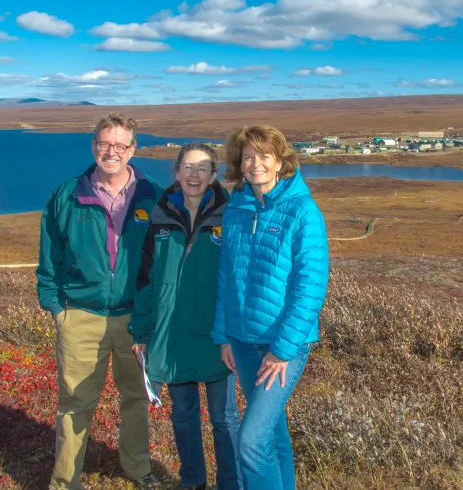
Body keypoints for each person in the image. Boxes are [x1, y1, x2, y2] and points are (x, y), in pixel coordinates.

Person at [36, 113, 165, 490]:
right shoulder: (67, 195)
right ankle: (64, 482)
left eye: (120, 145)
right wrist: (58, 309)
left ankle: (138, 469)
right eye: (103, 144)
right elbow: (50, 258)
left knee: (137, 400)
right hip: (81, 316)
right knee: (75, 405)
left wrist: (155, 310)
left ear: (133, 149)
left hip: (136, 319)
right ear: (94, 146)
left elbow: (165, 260)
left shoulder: (152, 196)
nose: (111, 152)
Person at [211, 125, 330, 490]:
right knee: (272, 434)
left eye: (264, 156)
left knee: (251, 440)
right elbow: (226, 277)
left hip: (282, 346)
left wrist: (282, 350)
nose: (255, 164)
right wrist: (223, 335)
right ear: (239, 164)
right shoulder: (236, 209)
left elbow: (310, 286)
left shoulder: (302, 210)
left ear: (280, 162)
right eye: (248, 157)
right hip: (243, 342)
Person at [130, 143, 242, 490]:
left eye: (203, 168)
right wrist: (141, 331)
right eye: (188, 168)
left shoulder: (230, 214)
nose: (194, 175)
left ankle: (231, 483)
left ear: (214, 175)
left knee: (224, 418)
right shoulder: (159, 214)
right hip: (173, 333)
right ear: (177, 171)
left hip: (217, 335)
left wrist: (235, 333)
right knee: (183, 415)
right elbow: (145, 277)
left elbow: (240, 279)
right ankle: (192, 480)